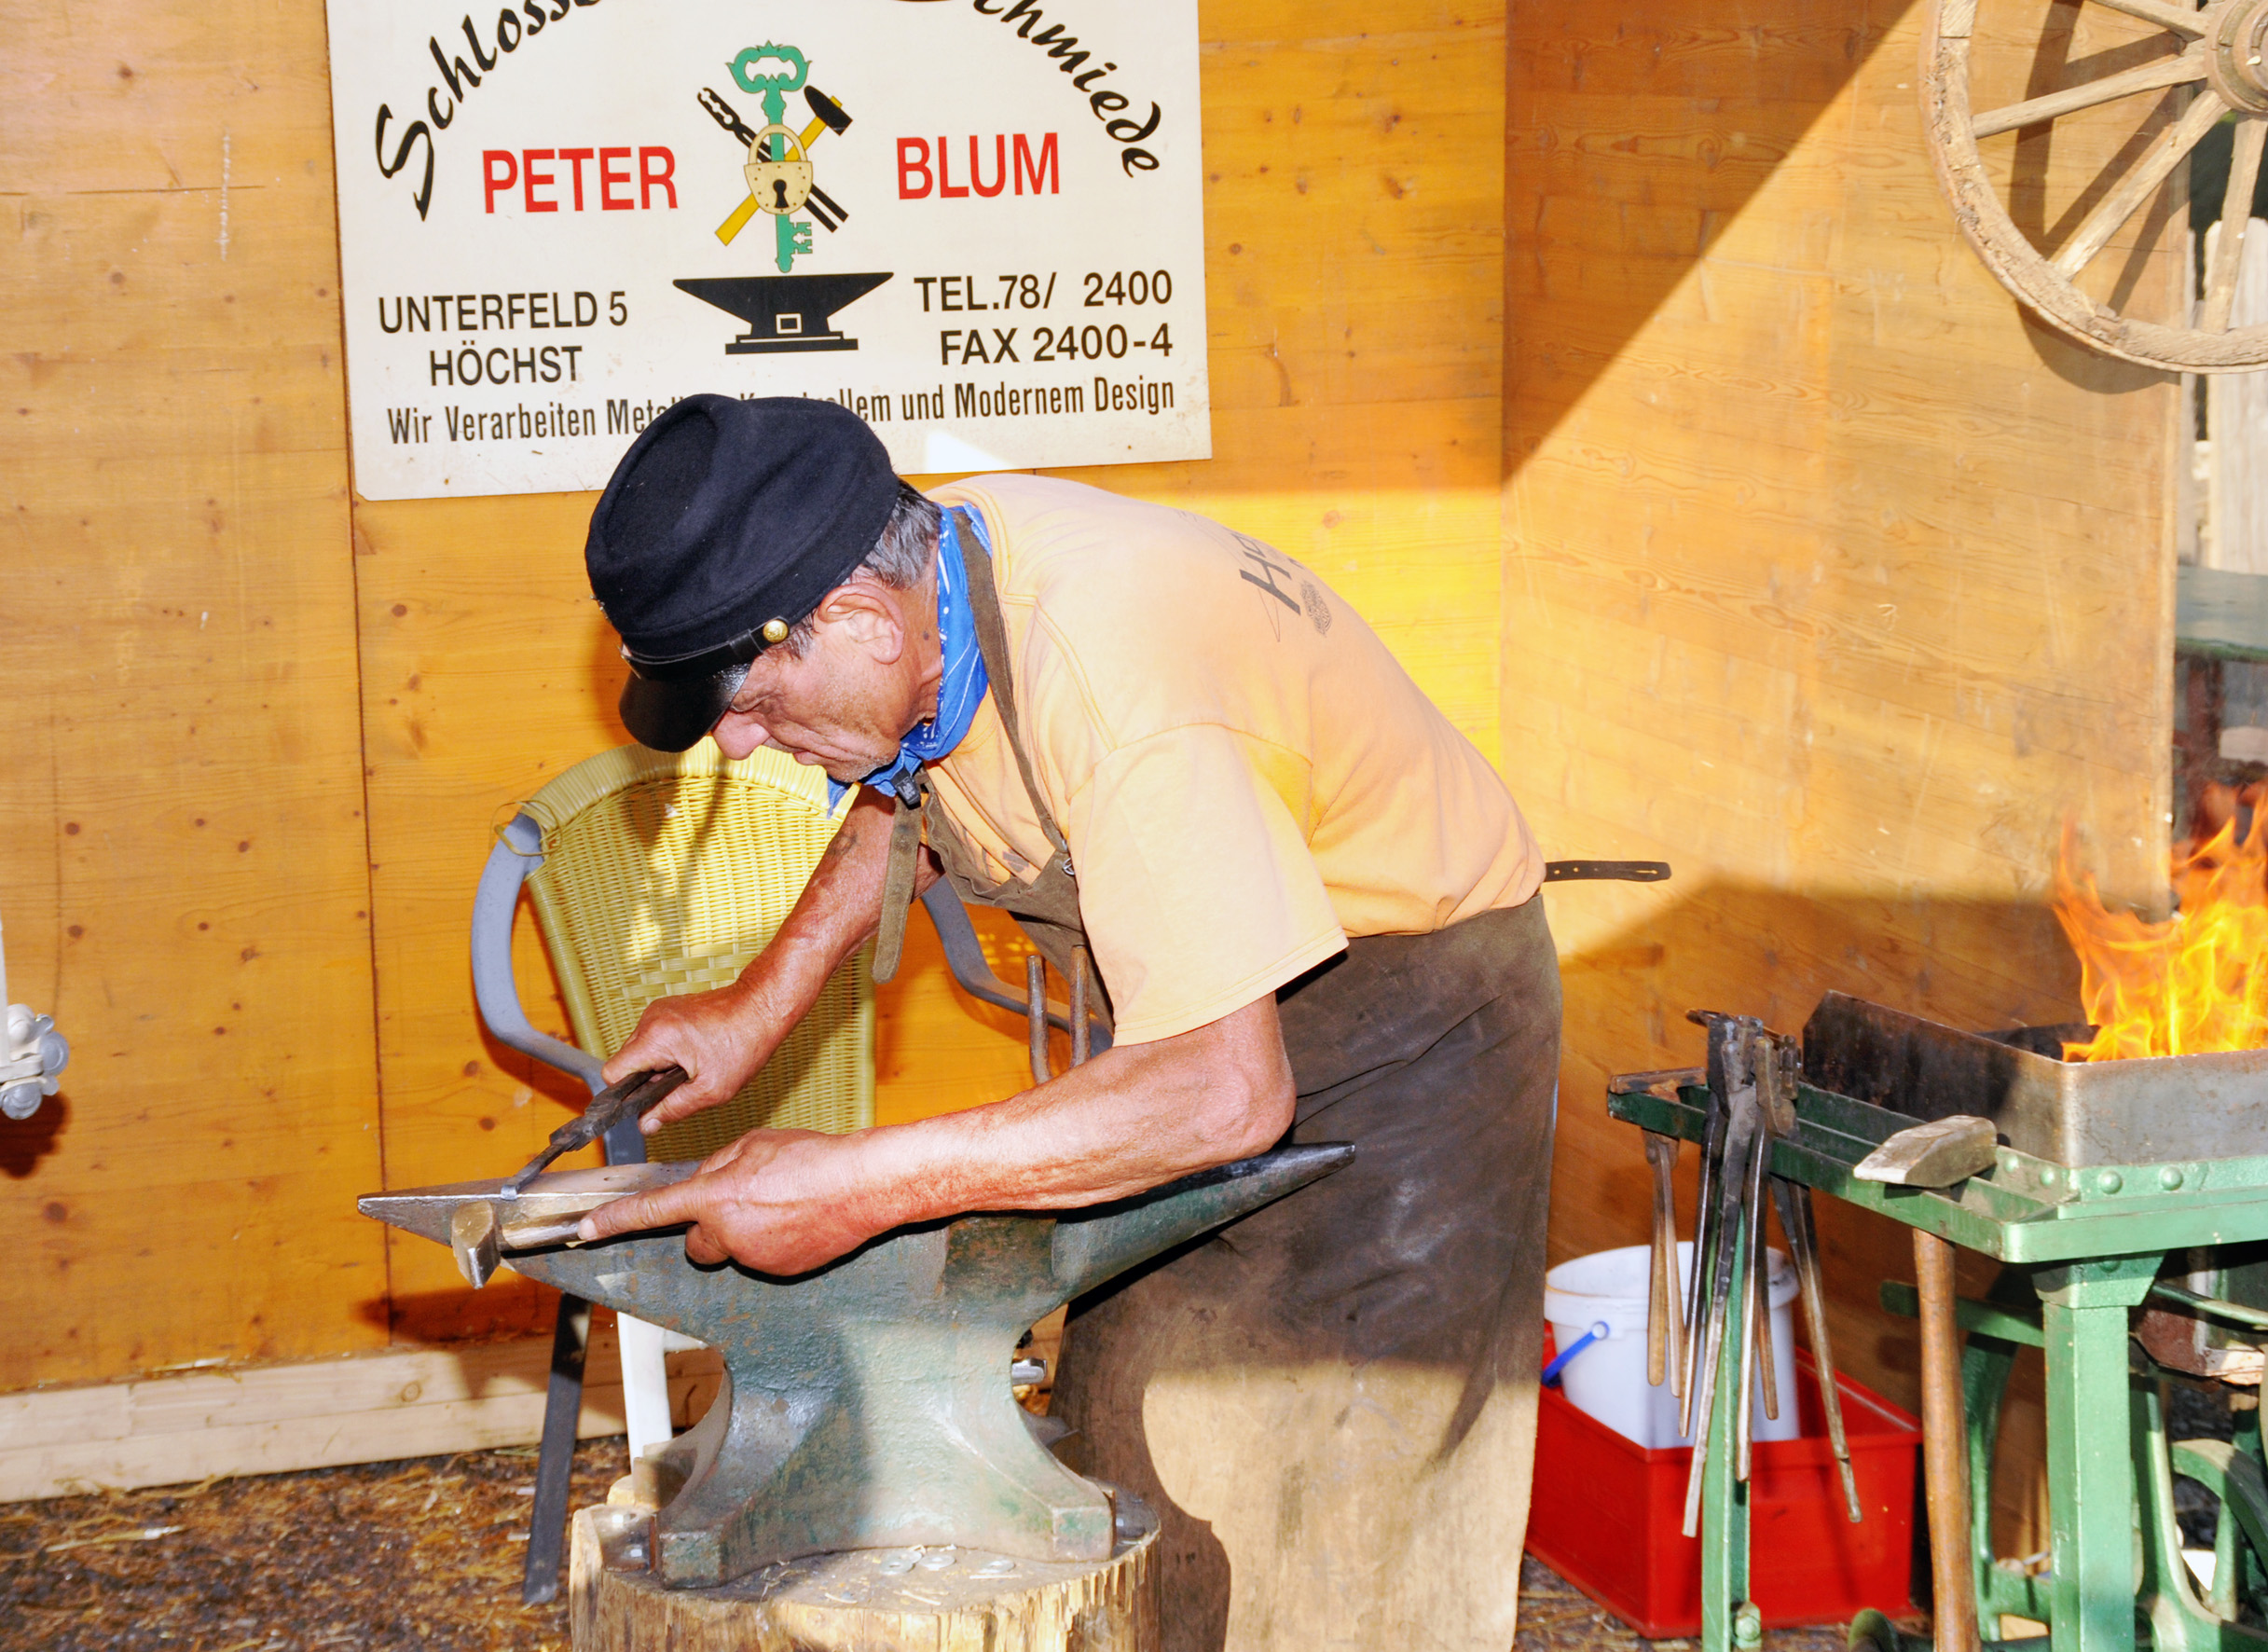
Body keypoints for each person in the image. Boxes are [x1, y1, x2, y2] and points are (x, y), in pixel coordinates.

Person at [574, 393, 1561, 1652]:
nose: (735, 742)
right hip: (1201, 1028)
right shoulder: (930, 583)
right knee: (1144, 1446)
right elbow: (909, 775)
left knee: (1344, 1514)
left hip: (1411, 1039)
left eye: (756, 703)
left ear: (863, 621)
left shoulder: (1114, 678)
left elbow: (1221, 1093)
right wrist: (756, 1006)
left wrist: (860, 1183)